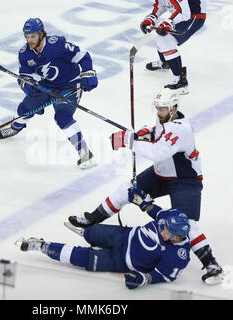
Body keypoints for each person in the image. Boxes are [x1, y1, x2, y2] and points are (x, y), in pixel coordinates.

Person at [68, 89, 223, 285]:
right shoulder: (164, 120)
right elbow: (157, 134)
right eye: (157, 108)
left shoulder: (180, 129)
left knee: (186, 223)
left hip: (185, 180)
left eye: (163, 108)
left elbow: (158, 152)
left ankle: (211, 264)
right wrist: (143, 133)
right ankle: (92, 218)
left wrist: (129, 140)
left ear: (174, 108)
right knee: (127, 190)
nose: (159, 112)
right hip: (161, 175)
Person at [16, 189, 191, 290]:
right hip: (123, 235)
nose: (161, 226)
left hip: (121, 261)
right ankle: (90, 237)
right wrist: (141, 202)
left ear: (176, 237)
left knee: (80, 257)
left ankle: (41, 246)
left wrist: (144, 279)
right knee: (89, 232)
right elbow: (157, 213)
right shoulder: (171, 218)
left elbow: (164, 275)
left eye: (165, 229)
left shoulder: (179, 255)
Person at [0, 18, 98, 169]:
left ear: (42, 33)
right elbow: (24, 75)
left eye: (33, 36)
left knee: (62, 117)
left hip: (69, 86)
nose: (30, 40)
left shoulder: (58, 44)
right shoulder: (25, 54)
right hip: (46, 87)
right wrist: (28, 86)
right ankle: (16, 126)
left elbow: (83, 56)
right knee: (25, 107)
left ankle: (84, 152)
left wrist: (88, 74)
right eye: (27, 37)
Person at [140, 0, 207, 93]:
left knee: (165, 39)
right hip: (182, 13)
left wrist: (169, 23)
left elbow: (185, 13)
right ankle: (165, 62)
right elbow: (162, 4)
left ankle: (180, 79)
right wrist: (152, 17)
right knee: (159, 35)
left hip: (194, 16)